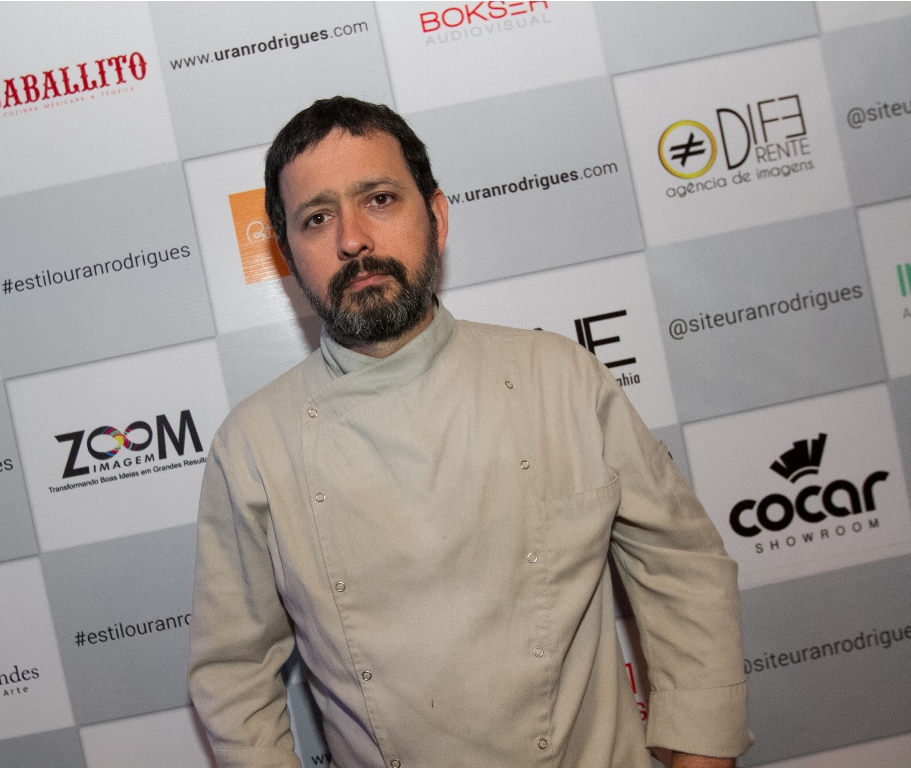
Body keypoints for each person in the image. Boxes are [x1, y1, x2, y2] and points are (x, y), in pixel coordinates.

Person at [188, 96, 752, 768]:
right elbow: (234, 674)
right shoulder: (254, 446)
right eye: (317, 218)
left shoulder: (559, 378)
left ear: (437, 215)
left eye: (379, 200)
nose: (352, 240)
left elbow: (681, 566)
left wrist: (700, 754)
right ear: (288, 253)